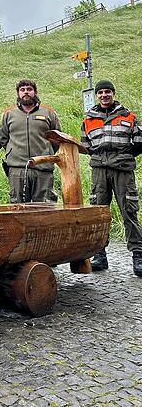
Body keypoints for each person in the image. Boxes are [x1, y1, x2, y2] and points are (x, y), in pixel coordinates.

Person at [81, 80, 142, 276]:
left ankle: (138, 256)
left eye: (107, 92)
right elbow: (86, 145)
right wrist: (102, 158)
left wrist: (122, 157)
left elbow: (139, 142)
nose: (104, 95)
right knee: (99, 213)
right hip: (99, 171)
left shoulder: (128, 116)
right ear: (96, 96)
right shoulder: (88, 119)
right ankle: (100, 255)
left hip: (123, 170)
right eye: (100, 93)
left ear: (113, 93)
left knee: (129, 211)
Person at [0, 79, 61, 203]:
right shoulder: (9, 114)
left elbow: (57, 138)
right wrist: (13, 152)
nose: (26, 92)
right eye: (22, 90)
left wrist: (47, 152)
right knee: (18, 208)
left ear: (35, 92)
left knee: (45, 208)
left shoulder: (49, 112)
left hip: (43, 168)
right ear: (18, 93)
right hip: (17, 169)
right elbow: (3, 138)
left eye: (29, 89)